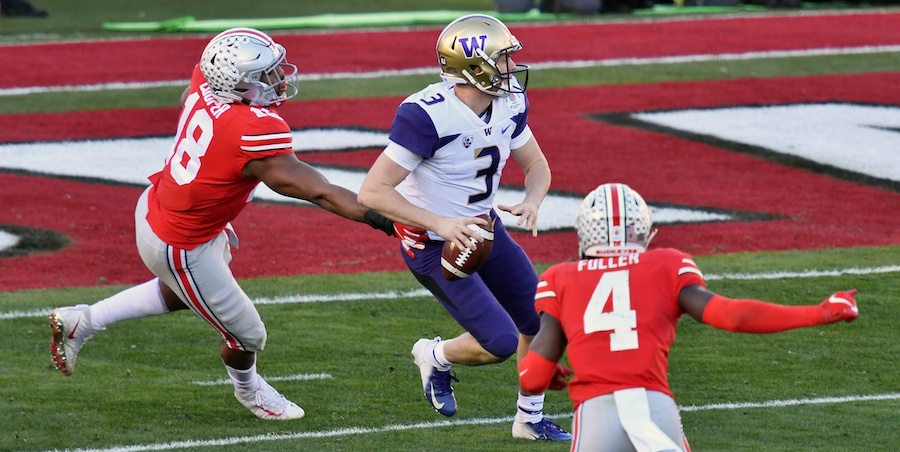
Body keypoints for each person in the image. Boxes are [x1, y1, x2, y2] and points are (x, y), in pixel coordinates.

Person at [48, 27, 396, 421]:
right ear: (239, 85)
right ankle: (251, 392)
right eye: (266, 75)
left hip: (160, 205)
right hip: (180, 242)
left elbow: (189, 98)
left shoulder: (208, 84)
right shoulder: (253, 129)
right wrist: (384, 217)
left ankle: (85, 321)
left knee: (194, 290)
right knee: (248, 334)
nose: (278, 79)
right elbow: (319, 191)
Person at [518, 182, 860, 451]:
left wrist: (546, 374)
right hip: (653, 407)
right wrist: (819, 312)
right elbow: (731, 316)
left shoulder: (560, 277)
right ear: (642, 229)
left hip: (595, 417)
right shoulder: (666, 263)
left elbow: (531, 378)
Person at [358, 14, 572, 442]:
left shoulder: (509, 102)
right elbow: (372, 192)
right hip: (433, 243)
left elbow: (537, 165)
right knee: (499, 342)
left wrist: (532, 200)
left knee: (543, 323)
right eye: (505, 59)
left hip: (485, 229)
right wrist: (440, 222)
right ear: (477, 67)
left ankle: (528, 419)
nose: (513, 67)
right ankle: (434, 354)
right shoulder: (427, 115)